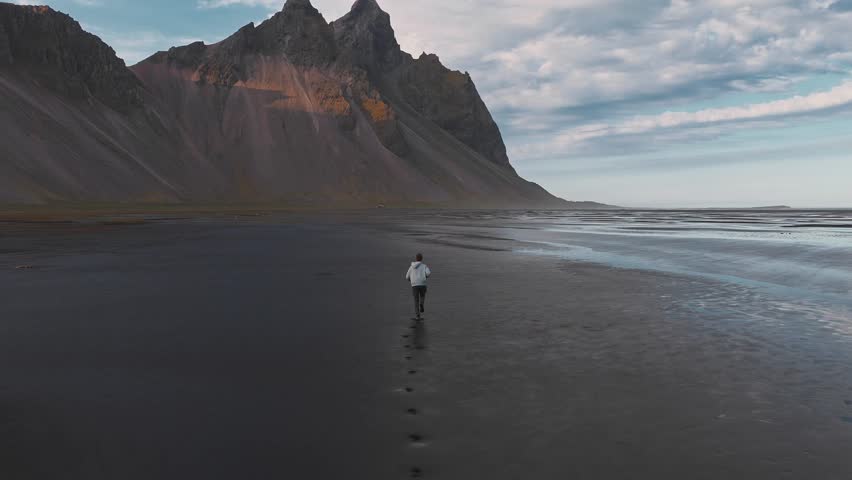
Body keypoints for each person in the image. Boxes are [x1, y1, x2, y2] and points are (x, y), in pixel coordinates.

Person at [405, 253, 431, 320]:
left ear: (416, 258)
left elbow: (407, 277)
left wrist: (411, 280)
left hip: (414, 285)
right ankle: (421, 304)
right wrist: (425, 276)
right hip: (422, 283)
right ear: (421, 258)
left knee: (416, 300)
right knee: (422, 296)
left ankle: (417, 316)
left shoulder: (411, 267)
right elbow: (428, 273)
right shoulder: (424, 266)